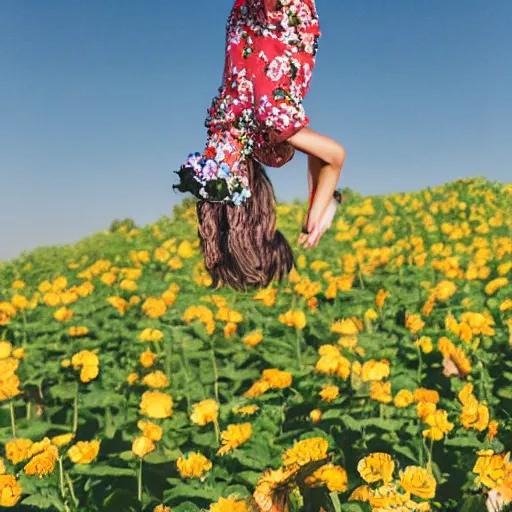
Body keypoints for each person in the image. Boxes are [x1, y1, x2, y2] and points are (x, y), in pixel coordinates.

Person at [173, 0, 346, 290]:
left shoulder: (270, 132)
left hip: (274, 16)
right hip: (251, 20)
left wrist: (317, 212)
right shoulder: (224, 135)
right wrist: (319, 207)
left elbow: (333, 156)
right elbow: (315, 151)